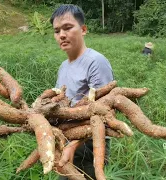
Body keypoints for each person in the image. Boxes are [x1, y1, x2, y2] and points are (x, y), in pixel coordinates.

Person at [50, 4, 114, 180]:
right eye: (57, 31)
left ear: (83, 29)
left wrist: (74, 144)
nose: (61, 34)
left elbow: (104, 112)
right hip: (66, 140)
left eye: (68, 27)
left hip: (90, 144)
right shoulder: (63, 67)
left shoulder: (95, 62)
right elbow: (61, 102)